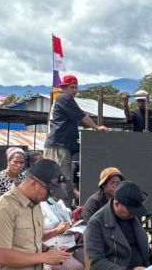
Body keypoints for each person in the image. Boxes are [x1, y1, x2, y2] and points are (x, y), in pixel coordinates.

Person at [44, 75, 107, 203]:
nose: (75, 90)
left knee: (62, 181)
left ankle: (62, 209)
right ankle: (58, 210)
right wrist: (96, 127)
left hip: (60, 146)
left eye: (76, 88)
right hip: (58, 146)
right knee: (60, 181)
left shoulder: (62, 99)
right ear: (64, 88)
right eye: (72, 87)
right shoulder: (64, 98)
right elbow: (82, 116)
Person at [39, 194, 86, 270]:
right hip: (50, 251)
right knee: (78, 268)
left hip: (69, 245)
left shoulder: (58, 204)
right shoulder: (37, 208)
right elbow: (36, 237)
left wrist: (72, 228)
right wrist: (57, 230)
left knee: (91, 260)